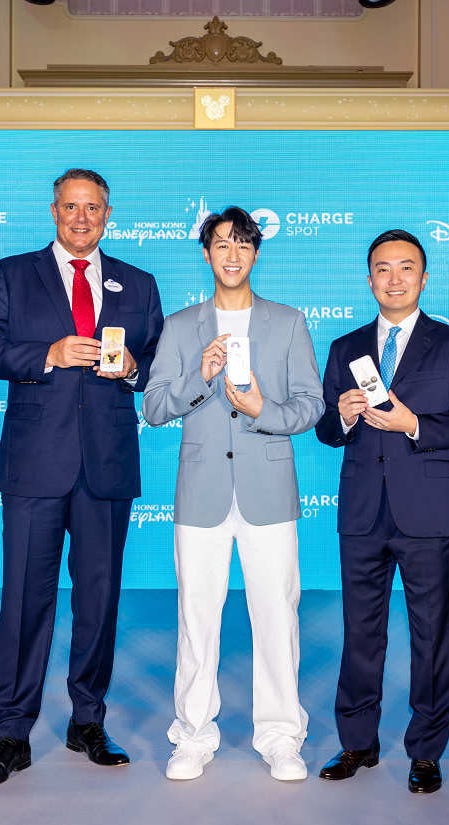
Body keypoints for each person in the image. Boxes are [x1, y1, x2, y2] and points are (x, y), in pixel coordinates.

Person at [0, 168, 163, 787]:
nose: (81, 217)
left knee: (99, 600)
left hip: (106, 466)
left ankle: (88, 720)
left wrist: (133, 369)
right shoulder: (10, 274)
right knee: (25, 599)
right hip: (34, 464)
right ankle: (11, 731)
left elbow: (159, 362)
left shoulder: (139, 282)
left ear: (108, 215)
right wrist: (45, 355)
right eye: (70, 207)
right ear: (53, 211)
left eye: (92, 208)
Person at [142, 207, 323, 782]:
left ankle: (281, 737)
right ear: (206, 254)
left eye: (243, 244)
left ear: (256, 253)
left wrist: (263, 409)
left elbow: (311, 406)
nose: (233, 254)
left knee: (276, 616)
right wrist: (199, 376)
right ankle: (193, 734)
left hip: (268, 493)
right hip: (202, 495)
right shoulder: (180, 327)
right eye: (222, 244)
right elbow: (154, 407)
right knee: (196, 618)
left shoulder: (288, 322)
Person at [314, 229, 449, 794]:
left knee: (432, 633)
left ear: (424, 277)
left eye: (406, 268)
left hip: (425, 511)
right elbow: (325, 430)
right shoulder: (345, 347)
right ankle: (357, 741)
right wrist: (342, 415)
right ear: (369, 280)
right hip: (362, 512)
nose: (394, 278)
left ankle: (426, 749)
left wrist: (413, 424)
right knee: (360, 631)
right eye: (383, 269)